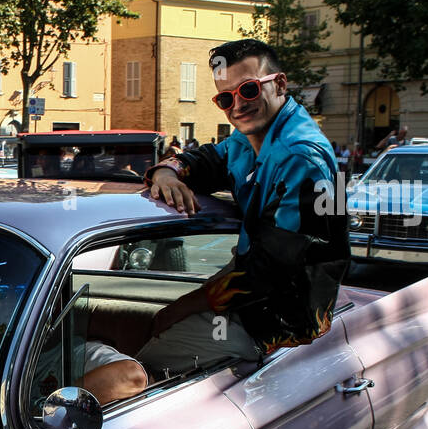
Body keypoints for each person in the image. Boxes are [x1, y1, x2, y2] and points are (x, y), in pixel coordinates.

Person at [143, 37, 349, 374]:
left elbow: (274, 268)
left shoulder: (300, 155)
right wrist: (168, 172)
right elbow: (210, 159)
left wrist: (182, 307)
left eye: (249, 90)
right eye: (226, 98)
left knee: (151, 353)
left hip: (282, 320)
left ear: (279, 84)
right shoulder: (252, 136)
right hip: (258, 296)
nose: (237, 105)